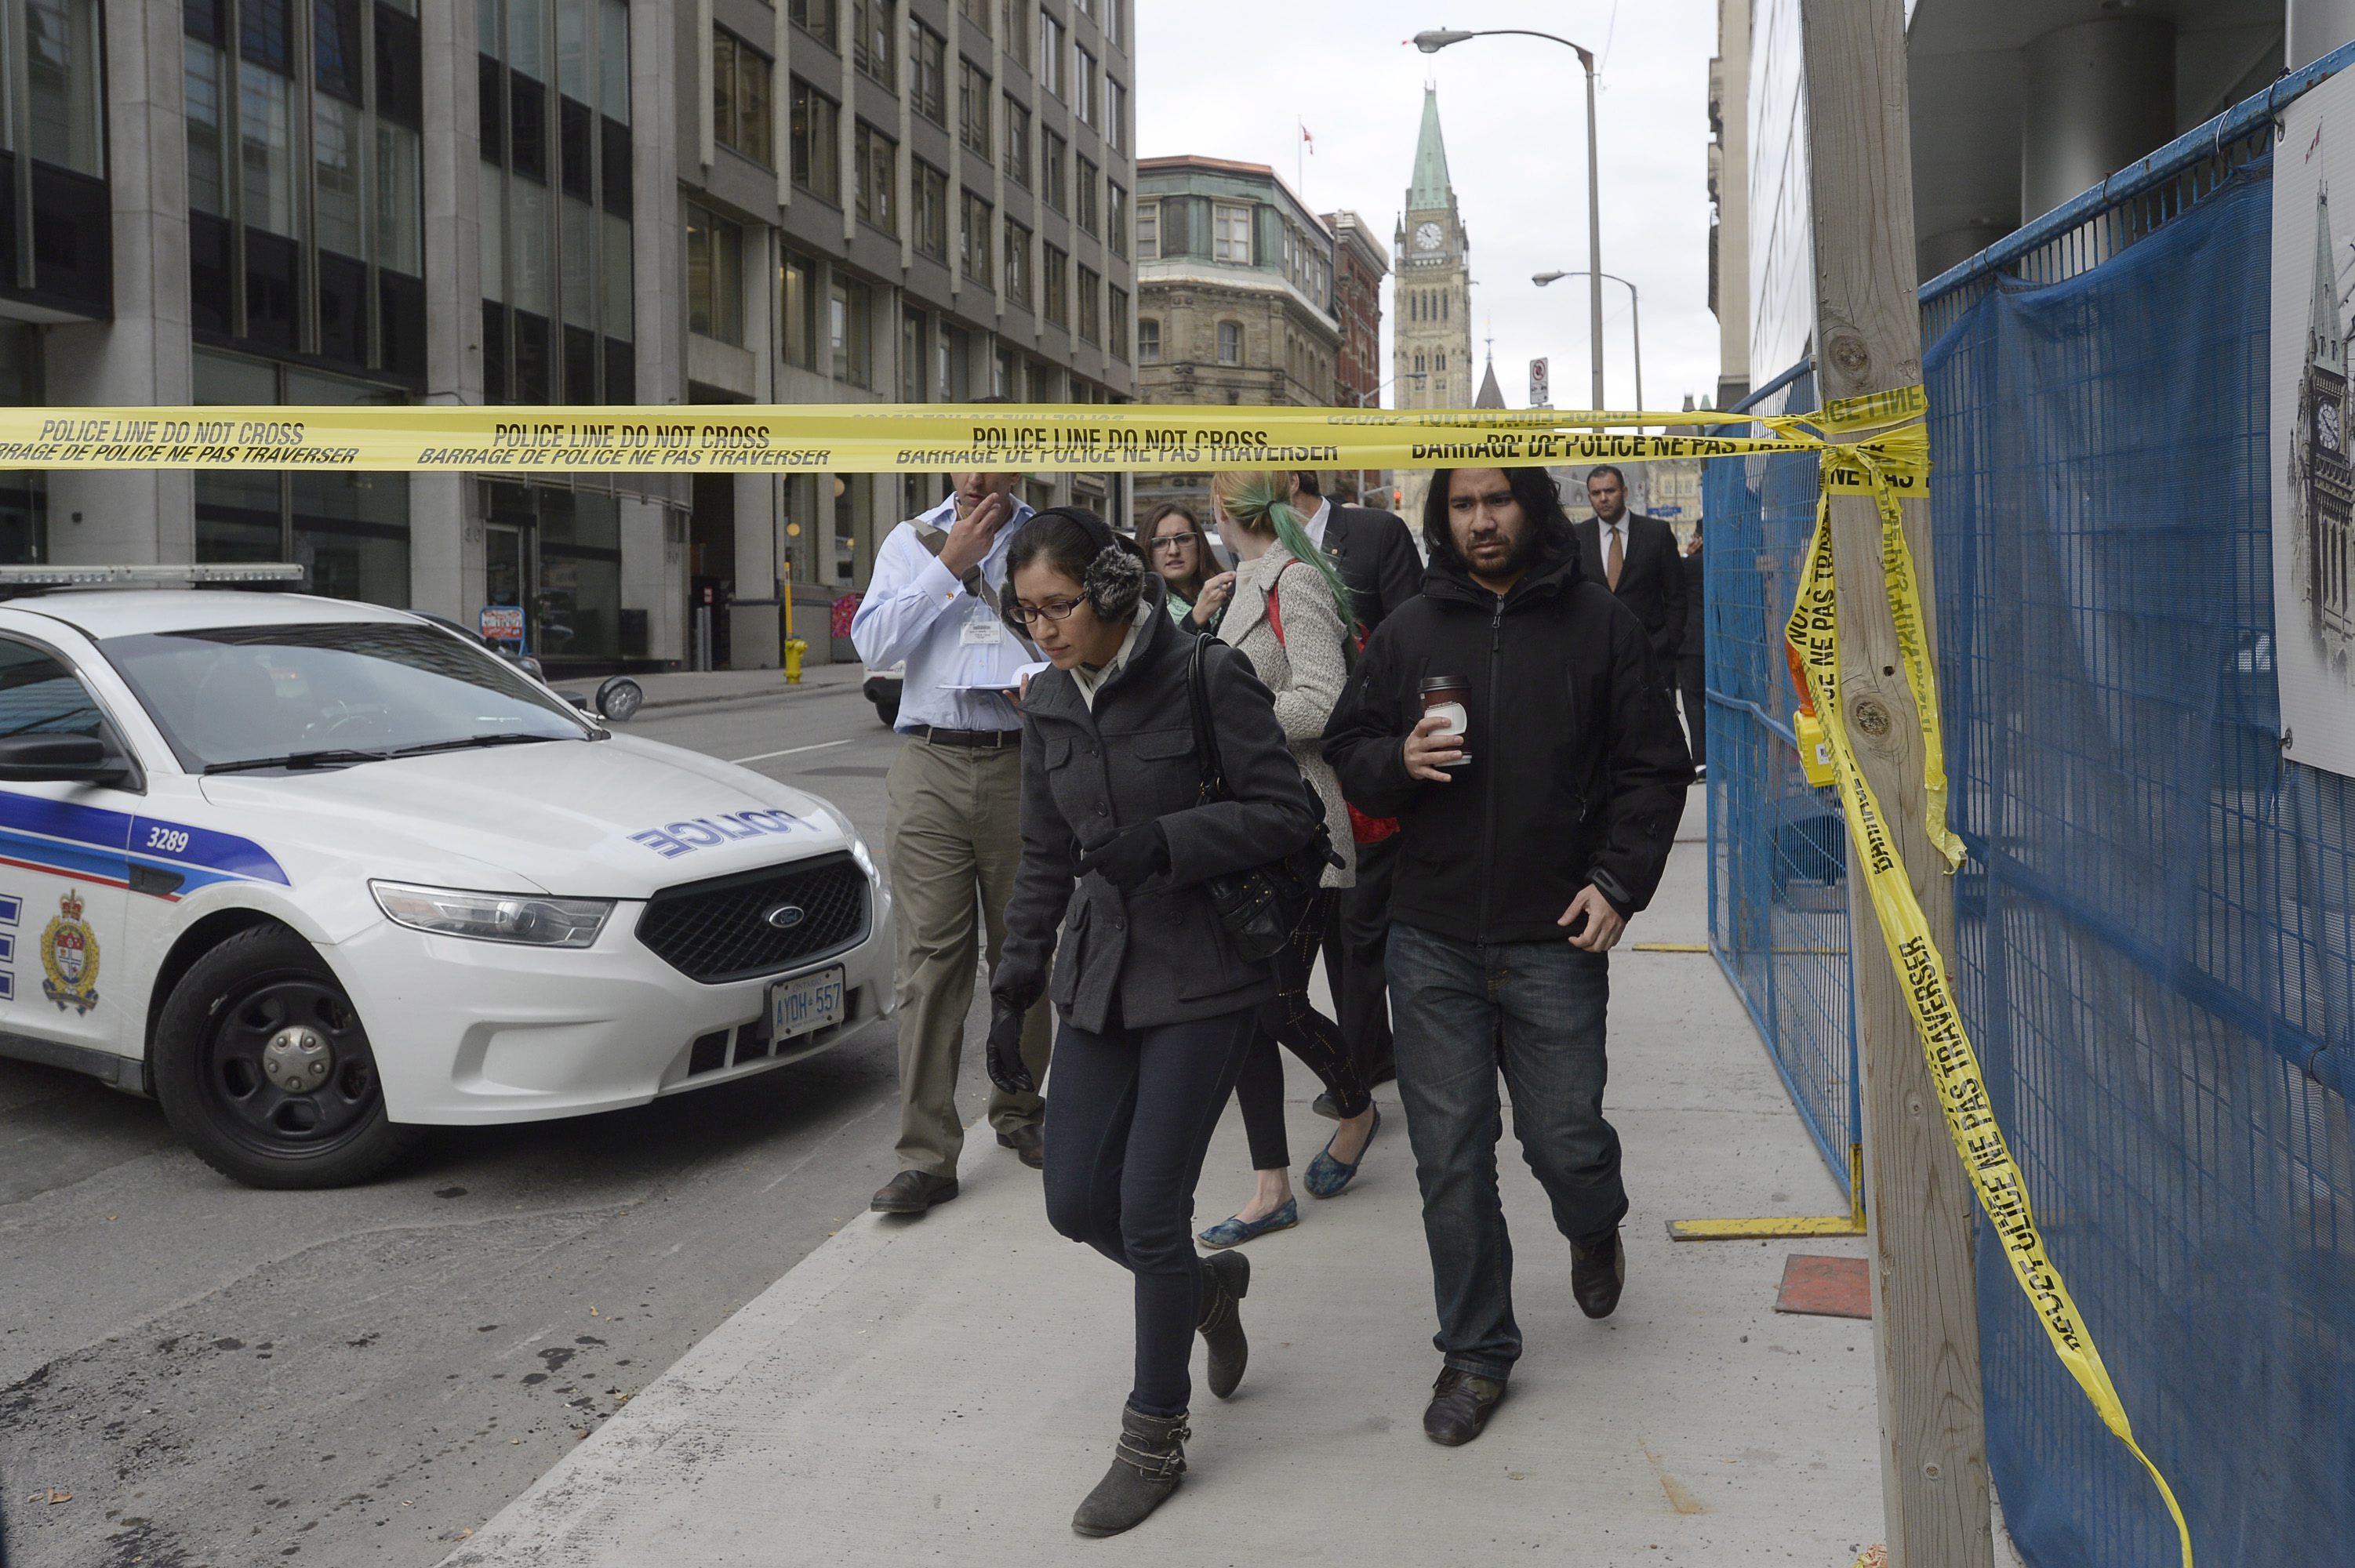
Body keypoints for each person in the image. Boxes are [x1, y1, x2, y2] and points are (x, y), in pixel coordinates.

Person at [1323, 466, 1692, 1449]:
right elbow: (1349, 744)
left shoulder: (1599, 624)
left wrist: (1618, 881)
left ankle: (1593, 1217)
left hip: (1554, 936)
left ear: (1532, 505)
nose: (1481, 520)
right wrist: (1394, 762)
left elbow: (1653, 765)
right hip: (1431, 934)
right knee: (1450, 1157)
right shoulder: (1408, 632)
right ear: (1442, 518)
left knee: (1564, 1134)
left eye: (1498, 500)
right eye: (1461, 505)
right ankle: (1477, 1351)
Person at [985, 508, 1319, 1537]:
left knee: (1145, 1211)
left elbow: (1288, 819)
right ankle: (1206, 1292)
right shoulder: (1046, 700)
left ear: (1116, 591)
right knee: (1074, 1201)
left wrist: (1168, 842)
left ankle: (1153, 1432)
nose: (1041, 631)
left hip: (1202, 973)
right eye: (1024, 612)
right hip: (1100, 973)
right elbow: (1044, 857)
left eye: (1057, 607)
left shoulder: (1203, 675)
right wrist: (1012, 988)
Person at [849, 472, 1056, 1216]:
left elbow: (1090, 639)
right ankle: (927, 1157)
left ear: (1016, 463)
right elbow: (873, 642)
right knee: (931, 962)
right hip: (930, 763)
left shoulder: (1047, 539)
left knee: (1023, 950)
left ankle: (1021, 1112)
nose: (971, 478)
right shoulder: (911, 540)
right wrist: (951, 563)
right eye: (961, 461)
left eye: (987, 460)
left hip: (1020, 762)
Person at [1194, 471, 1380, 1249]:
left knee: (1275, 1003)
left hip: (1298, 826)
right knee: (1246, 1007)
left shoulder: (1293, 580)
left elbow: (1323, 699)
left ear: (1221, 509)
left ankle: (1356, 1101)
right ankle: (1270, 1184)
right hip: (1245, 828)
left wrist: (1234, 725)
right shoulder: (1240, 585)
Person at [1285, 470, 1423, 1095]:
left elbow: (1412, 637)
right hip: (1298, 775)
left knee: (1362, 927)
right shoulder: (1258, 551)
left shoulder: (1373, 533)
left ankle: (1360, 1074)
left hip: (1367, 765)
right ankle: (1373, 1052)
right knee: (1338, 925)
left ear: (1288, 473)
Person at [1573, 465, 1687, 682]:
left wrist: (1669, 643)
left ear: (1624, 492)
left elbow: (1676, 594)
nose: (1603, 498)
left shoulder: (1657, 534)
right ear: (1589, 497)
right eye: (1596, 493)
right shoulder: (1577, 537)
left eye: (1610, 491)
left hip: (1653, 657)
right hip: (1596, 660)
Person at [1142, 500, 1234, 633]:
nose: (1173, 551)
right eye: (1160, 543)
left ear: (1199, 544)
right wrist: (1195, 619)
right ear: (1147, 551)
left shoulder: (1230, 591)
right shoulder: (1141, 606)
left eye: (1183, 539)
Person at [1679, 518, 1706, 778]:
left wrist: (1688, 555)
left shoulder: (1689, 564)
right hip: (1720, 638)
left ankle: (1700, 759)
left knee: (1693, 700)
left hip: (1691, 641)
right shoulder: (1727, 562)